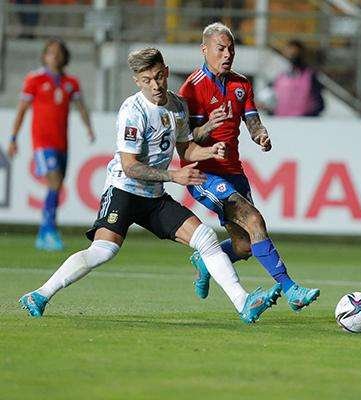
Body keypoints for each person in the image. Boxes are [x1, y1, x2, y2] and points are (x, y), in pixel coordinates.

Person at [19, 48, 282, 324]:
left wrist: (210, 151)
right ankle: (39, 294)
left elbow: (186, 148)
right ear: (137, 81)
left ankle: (244, 303)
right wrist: (173, 176)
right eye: (147, 80)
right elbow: (131, 166)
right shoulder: (133, 112)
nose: (155, 85)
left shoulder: (178, 105)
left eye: (158, 77)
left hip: (154, 196)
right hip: (124, 191)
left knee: (205, 238)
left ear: (166, 71)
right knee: (102, 252)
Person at [178, 23, 320, 311]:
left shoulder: (241, 84)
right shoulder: (191, 89)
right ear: (204, 50)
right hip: (203, 172)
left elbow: (252, 120)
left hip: (233, 171)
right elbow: (186, 140)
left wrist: (260, 135)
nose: (228, 53)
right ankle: (291, 289)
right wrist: (209, 126)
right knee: (254, 220)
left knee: (243, 246)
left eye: (231, 48)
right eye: (221, 48)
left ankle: (206, 261)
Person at [8, 38, 95, 251]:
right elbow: (21, 110)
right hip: (42, 142)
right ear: (44, 55)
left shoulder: (70, 82)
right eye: (50, 52)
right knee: (54, 182)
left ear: (65, 56)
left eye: (58, 52)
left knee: (56, 185)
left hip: (61, 143)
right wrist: (13, 138)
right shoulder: (34, 79)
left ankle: (45, 232)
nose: (54, 56)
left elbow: (81, 106)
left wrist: (88, 127)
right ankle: (48, 230)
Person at [270, 39, 324, 117]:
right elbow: (269, 98)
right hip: (281, 121)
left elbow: (319, 104)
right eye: (289, 54)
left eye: (295, 54)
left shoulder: (310, 76)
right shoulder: (280, 76)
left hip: (303, 122)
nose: (292, 57)